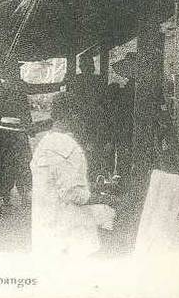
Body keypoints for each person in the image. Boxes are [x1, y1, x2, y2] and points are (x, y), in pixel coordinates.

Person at [30, 92, 117, 257]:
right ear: (74, 115)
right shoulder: (66, 146)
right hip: (66, 232)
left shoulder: (46, 141)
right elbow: (72, 194)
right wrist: (106, 199)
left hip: (49, 225)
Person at [0, 61, 35, 210]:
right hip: (3, 133)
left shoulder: (20, 88)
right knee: (4, 166)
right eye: (12, 70)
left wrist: (29, 126)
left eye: (16, 70)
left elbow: (25, 110)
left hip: (19, 133)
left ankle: (24, 195)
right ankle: (4, 198)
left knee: (23, 164)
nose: (15, 73)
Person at [66, 51, 109, 178]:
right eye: (83, 64)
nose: (85, 66)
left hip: (91, 118)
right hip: (84, 118)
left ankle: (91, 173)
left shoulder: (94, 81)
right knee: (85, 146)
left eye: (87, 63)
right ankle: (87, 173)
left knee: (92, 147)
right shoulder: (83, 80)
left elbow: (103, 101)